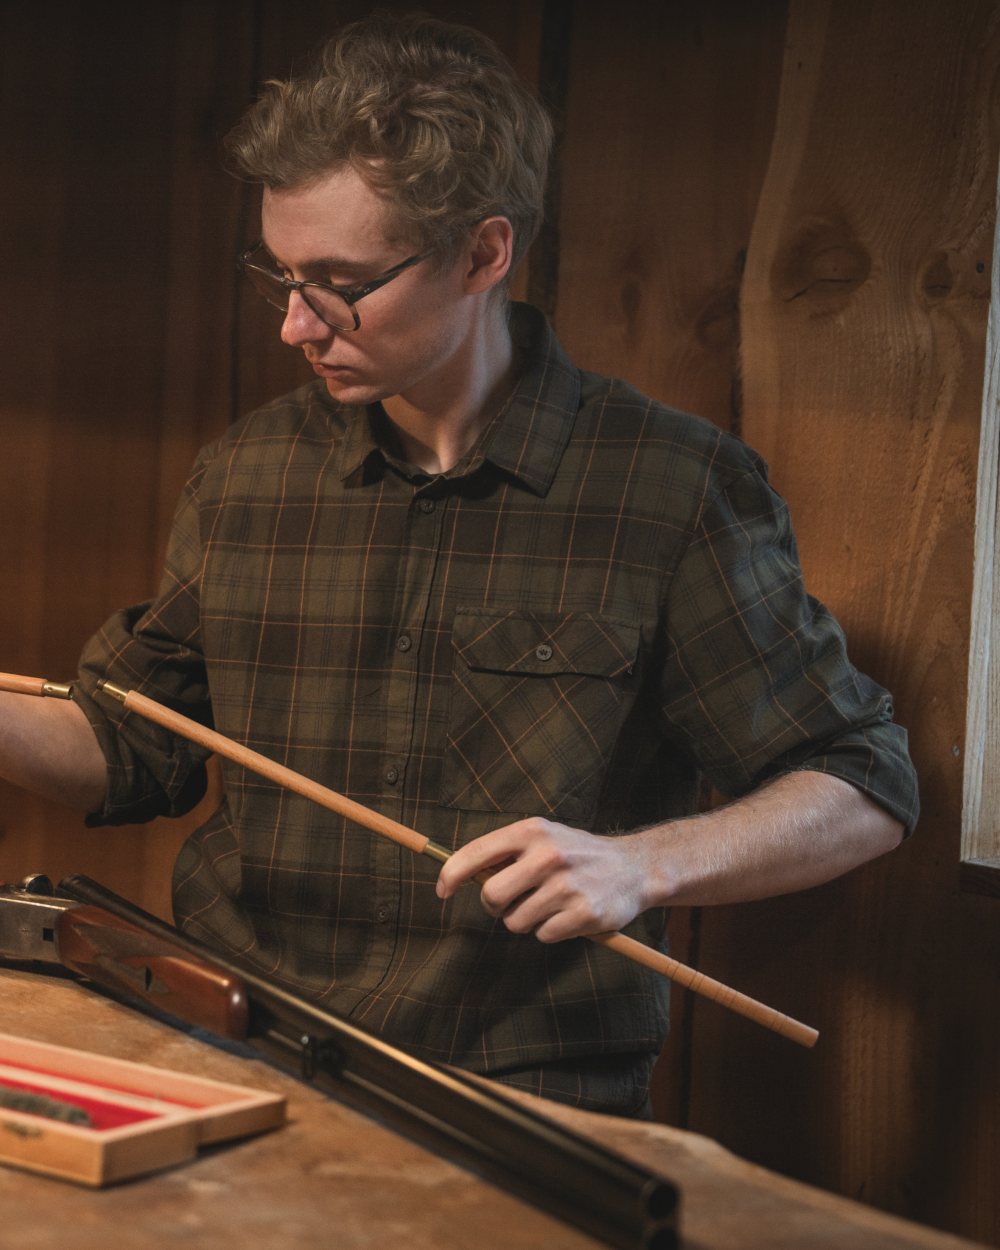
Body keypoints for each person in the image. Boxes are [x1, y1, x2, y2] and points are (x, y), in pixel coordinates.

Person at [0, 13, 917, 1117]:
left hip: (520, 1095)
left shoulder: (669, 487)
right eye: (279, 273)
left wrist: (642, 865)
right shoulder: (244, 476)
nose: (295, 323)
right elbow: (132, 743)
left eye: (338, 280)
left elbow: (863, 780)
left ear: (484, 252)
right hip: (232, 1044)